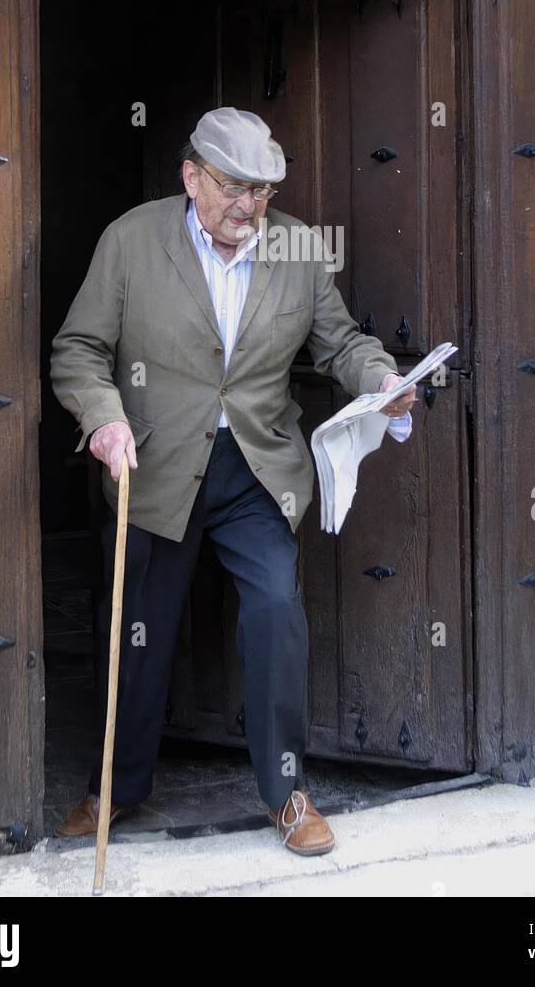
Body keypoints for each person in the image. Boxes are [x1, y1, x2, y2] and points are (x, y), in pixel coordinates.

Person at [50, 107, 417, 854]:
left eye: (262, 191)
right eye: (232, 188)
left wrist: (378, 376)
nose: (247, 207)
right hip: (152, 466)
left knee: (276, 613)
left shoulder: (297, 250)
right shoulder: (130, 240)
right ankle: (116, 788)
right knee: (138, 632)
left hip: (255, 468)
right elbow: (79, 349)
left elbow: (338, 340)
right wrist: (104, 419)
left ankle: (287, 795)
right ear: (191, 177)